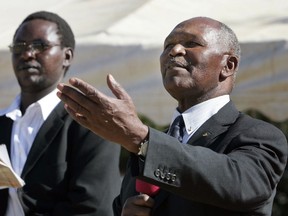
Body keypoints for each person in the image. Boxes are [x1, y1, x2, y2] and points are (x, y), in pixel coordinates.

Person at [56, 16, 288, 216]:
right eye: (168, 46)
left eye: (191, 43)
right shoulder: (152, 143)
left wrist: (142, 139)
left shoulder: (258, 135)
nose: (174, 51)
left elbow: (240, 185)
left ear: (228, 65)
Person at [0, 11, 121, 216]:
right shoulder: (3, 122)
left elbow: (93, 207)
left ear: (67, 56)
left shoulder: (91, 123)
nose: (27, 54)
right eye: (19, 47)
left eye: (39, 46)